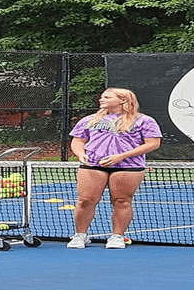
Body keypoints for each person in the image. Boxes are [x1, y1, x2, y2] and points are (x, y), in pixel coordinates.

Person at [67, 88, 163, 249]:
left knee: (121, 201)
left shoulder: (144, 121)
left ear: (123, 100)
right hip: (92, 166)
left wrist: (120, 156)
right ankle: (80, 235)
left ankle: (117, 236)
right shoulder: (89, 120)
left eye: (107, 97)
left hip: (128, 167)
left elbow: (153, 143)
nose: (101, 99)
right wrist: (80, 154)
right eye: (102, 97)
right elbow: (78, 141)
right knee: (85, 200)